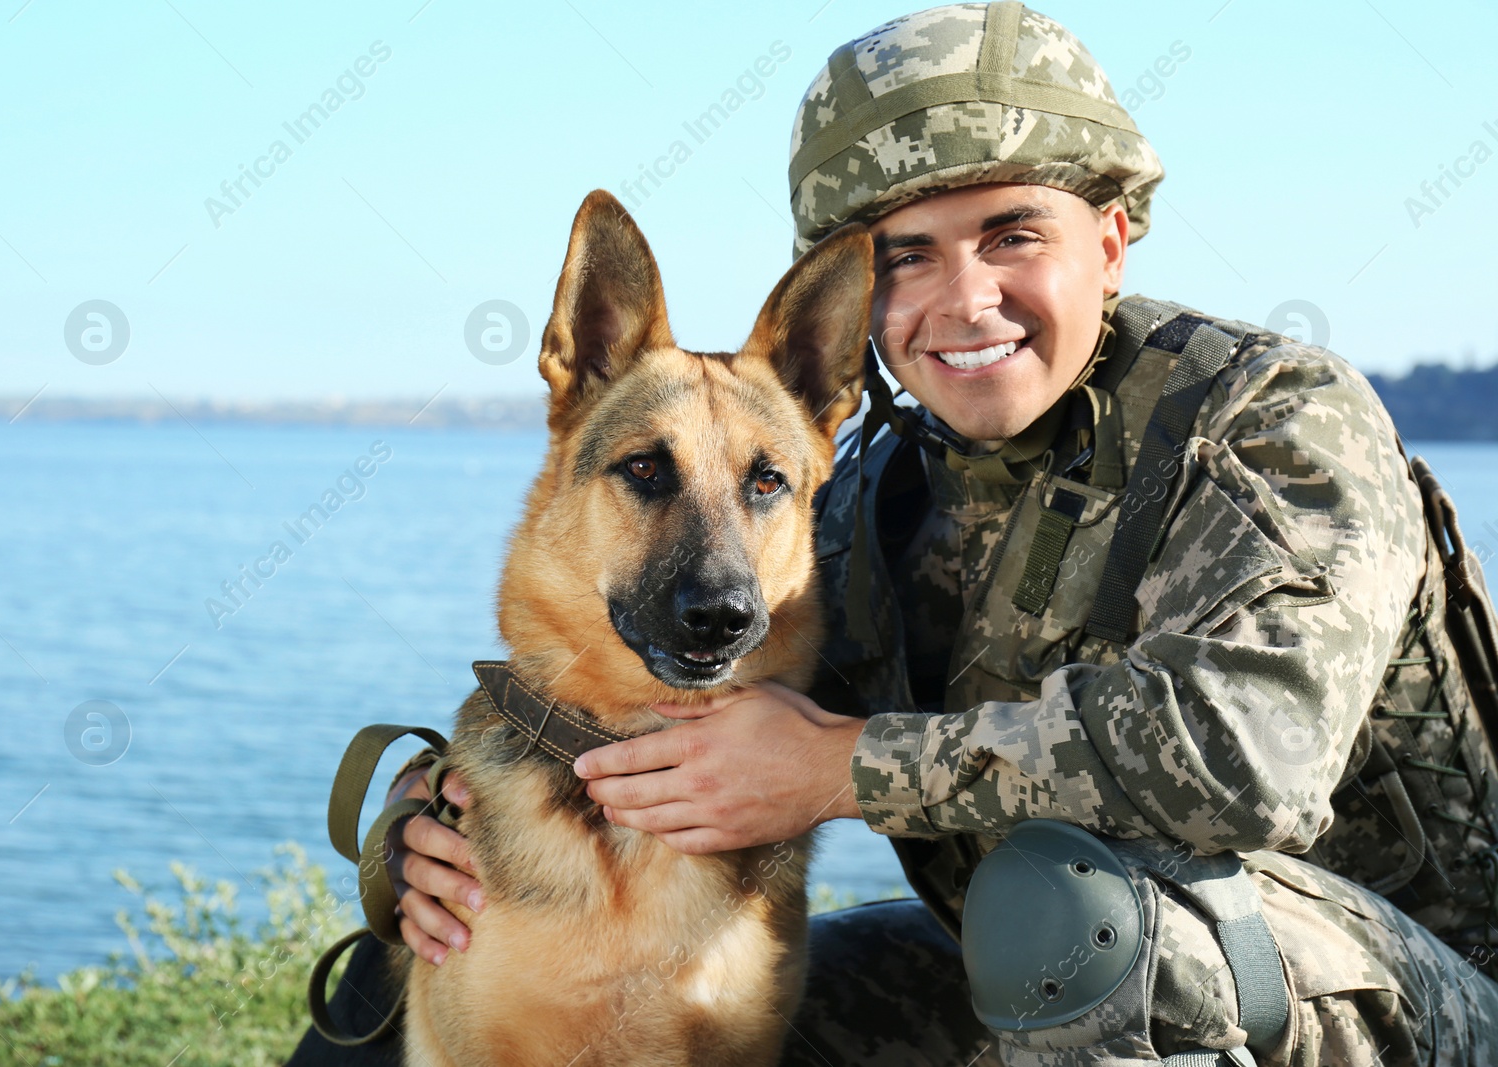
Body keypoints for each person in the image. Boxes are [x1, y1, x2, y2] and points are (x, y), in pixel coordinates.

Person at [290, 4, 1498, 1064]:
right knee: (645, 1002)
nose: (962, 300)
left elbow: (1246, 758)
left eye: (1011, 234)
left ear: (1112, 237)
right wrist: (431, 825)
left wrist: (838, 767)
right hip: (1047, 969)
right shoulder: (874, 488)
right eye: (908, 257)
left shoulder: (1273, 419)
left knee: (1080, 912)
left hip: (1398, 990)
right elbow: (687, 710)